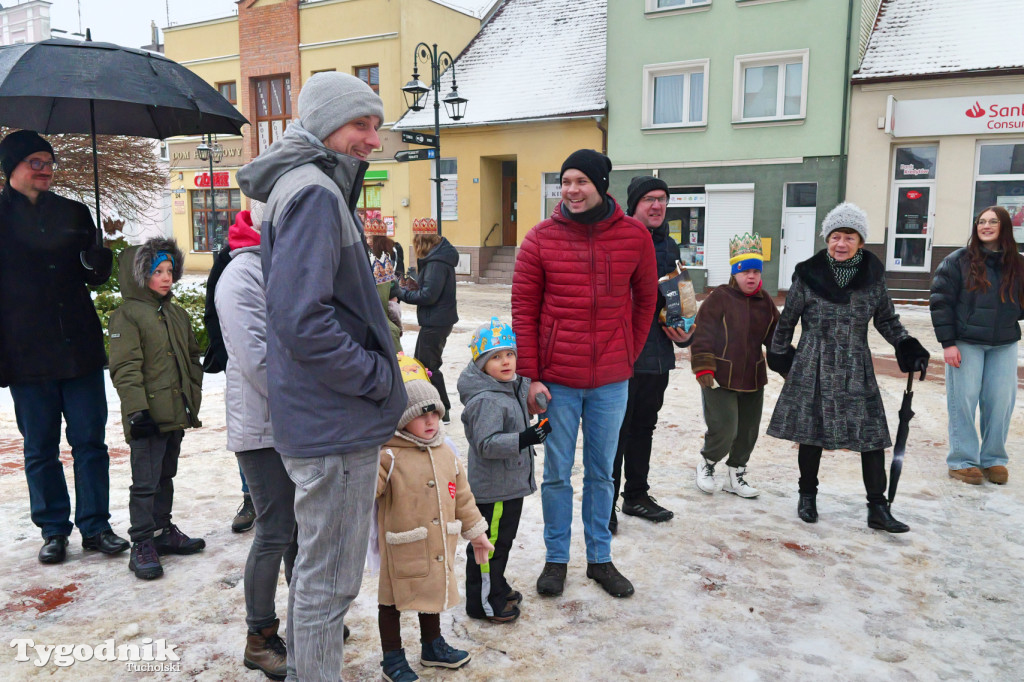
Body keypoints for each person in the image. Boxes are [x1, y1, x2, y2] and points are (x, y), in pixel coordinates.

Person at [236, 71, 405, 682]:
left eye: (377, 126)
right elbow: (301, 320)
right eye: (361, 124)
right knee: (326, 587)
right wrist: (372, 377)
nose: (372, 140)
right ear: (326, 123)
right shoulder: (313, 191)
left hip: (326, 417)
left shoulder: (312, 185)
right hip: (334, 422)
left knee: (320, 579)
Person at [512, 149, 657, 598]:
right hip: (556, 383)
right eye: (566, 181)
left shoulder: (634, 236)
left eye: (581, 181)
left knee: (601, 473)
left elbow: (647, 299)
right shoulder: (539, 239)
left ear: (601, 184)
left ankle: (600, 558)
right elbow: (524, 312)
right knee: (556, 473)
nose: (572, 190)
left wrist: (626, 352)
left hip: (611, 383)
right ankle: (556, 558)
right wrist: (532, 376)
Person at [0, 129, 128, 565]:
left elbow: (91, 277)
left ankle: (95, 526)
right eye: (36, 162)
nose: (46, 170)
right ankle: (53, 529)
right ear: (11, 167)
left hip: (79, 349)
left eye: (49, 162)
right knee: (39, 447)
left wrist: (99, 263)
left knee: (89, 441)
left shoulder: (74, 212)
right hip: (25, 353)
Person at [766, 203, 930, 533]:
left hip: (856, 364)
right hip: (814, 361)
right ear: (827, 239)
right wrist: (780, 354)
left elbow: (886, 320)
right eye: (835, 237)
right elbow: (787, 321)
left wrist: (906, 344)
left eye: (849, 237)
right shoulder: (807, 276)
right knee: (810, 434)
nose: (841, 244)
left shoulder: (872, 279)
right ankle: (807, 496)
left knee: (870, 436)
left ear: (860, 241)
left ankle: (877, 508)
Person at [215, 199, 297, 679]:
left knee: (298, 527)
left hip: (294, 421)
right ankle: (259, 637)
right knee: (273, 529)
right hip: (263, 425)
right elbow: (258, 360)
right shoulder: (242, 274)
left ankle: (304, 615)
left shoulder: (281, 264)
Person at [376, 355, 493, 682]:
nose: (430, 421)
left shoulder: (446, 451)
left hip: (437, 543)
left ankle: (432, 645)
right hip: (400, 547)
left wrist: (477, 533)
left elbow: (463, 497)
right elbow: (364, 492)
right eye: (420, 414)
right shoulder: (388, 453)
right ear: (402, 419)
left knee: (433, 594)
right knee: (391, 602)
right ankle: (392, 657)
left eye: (434, 413)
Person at [108, 238, 205, 579]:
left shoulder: (176, 314)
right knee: (145, 482)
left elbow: (191, 357)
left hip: (174, 411)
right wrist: (137, 411)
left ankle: (163, 532)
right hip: (146, 416)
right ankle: (142, 543)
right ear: (139, 276)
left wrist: (191, 396)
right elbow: (125, 368)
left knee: (166, 475)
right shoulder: (128, 316)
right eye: (156, 271)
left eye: (169, 271)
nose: (166, 278)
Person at [610, 176, 694, 532]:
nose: (657, 206)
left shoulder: (670, 246)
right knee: (616, 431)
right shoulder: (619, 240)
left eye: (662, 199)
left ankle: (636, 495)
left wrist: (685, 332)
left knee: (644, 426)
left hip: (656, 353)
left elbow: (678, 295)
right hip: (622, 352)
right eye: (649, 199)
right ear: (634, 205)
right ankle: (605, 504)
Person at [458, 317, 549, 624]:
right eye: (495, 357)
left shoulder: (509, 387)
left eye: (509, 354)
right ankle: (482, 601)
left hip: (509, 484)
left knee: (502, 543)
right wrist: (524, 439)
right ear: (482, 364)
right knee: (488, 546)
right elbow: (486, 444)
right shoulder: (487, 399)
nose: (505, 362)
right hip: (493, 489)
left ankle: (495, 585)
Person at [930, 206, 1024, 485]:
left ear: (1004, 226)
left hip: (1004, 343)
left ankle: (993, 459)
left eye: (992, 221)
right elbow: (940, 302)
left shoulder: (1018, 264)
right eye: (981, 221)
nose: (985, 226)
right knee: (964, 400)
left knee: (1000, 402)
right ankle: (963, 460)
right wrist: (948, 343)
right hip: (966, 342)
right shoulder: (957, 260)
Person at [691, 233, 780, 498]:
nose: (750, 277)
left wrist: (790, 368)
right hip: (719, 377)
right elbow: (703, 334)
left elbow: (776, 342)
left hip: (753, 377)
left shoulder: (766, 303)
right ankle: (707, 463)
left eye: (755, 271)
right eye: (744, 271)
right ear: (734, 273)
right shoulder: (720, 298)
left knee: (748, 430)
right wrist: (704, 368)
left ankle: (736, 473)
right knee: (725, 427)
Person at [396, 231, 459, 421]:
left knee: (428, 366)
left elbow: (428, 296)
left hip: (436, 321)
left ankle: (443, 409)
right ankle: (440, 407)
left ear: (421, 243)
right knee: (425, 363)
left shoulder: (436, 263)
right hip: (437, 320)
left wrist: (401, 293)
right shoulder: (437, 260)